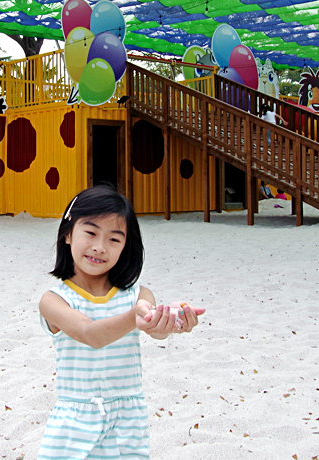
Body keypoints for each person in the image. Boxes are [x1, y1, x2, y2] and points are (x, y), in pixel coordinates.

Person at [37, 187, 206, 460]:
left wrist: (172, 319)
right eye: (90, 233)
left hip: (127, 423)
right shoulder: (54, 300)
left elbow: (153, 327)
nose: (99, 247)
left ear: (126, 246)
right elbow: (89, 334)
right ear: (68, 233)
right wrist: (135, 317)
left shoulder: (137, 295)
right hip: (74, 426)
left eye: (114, 239)